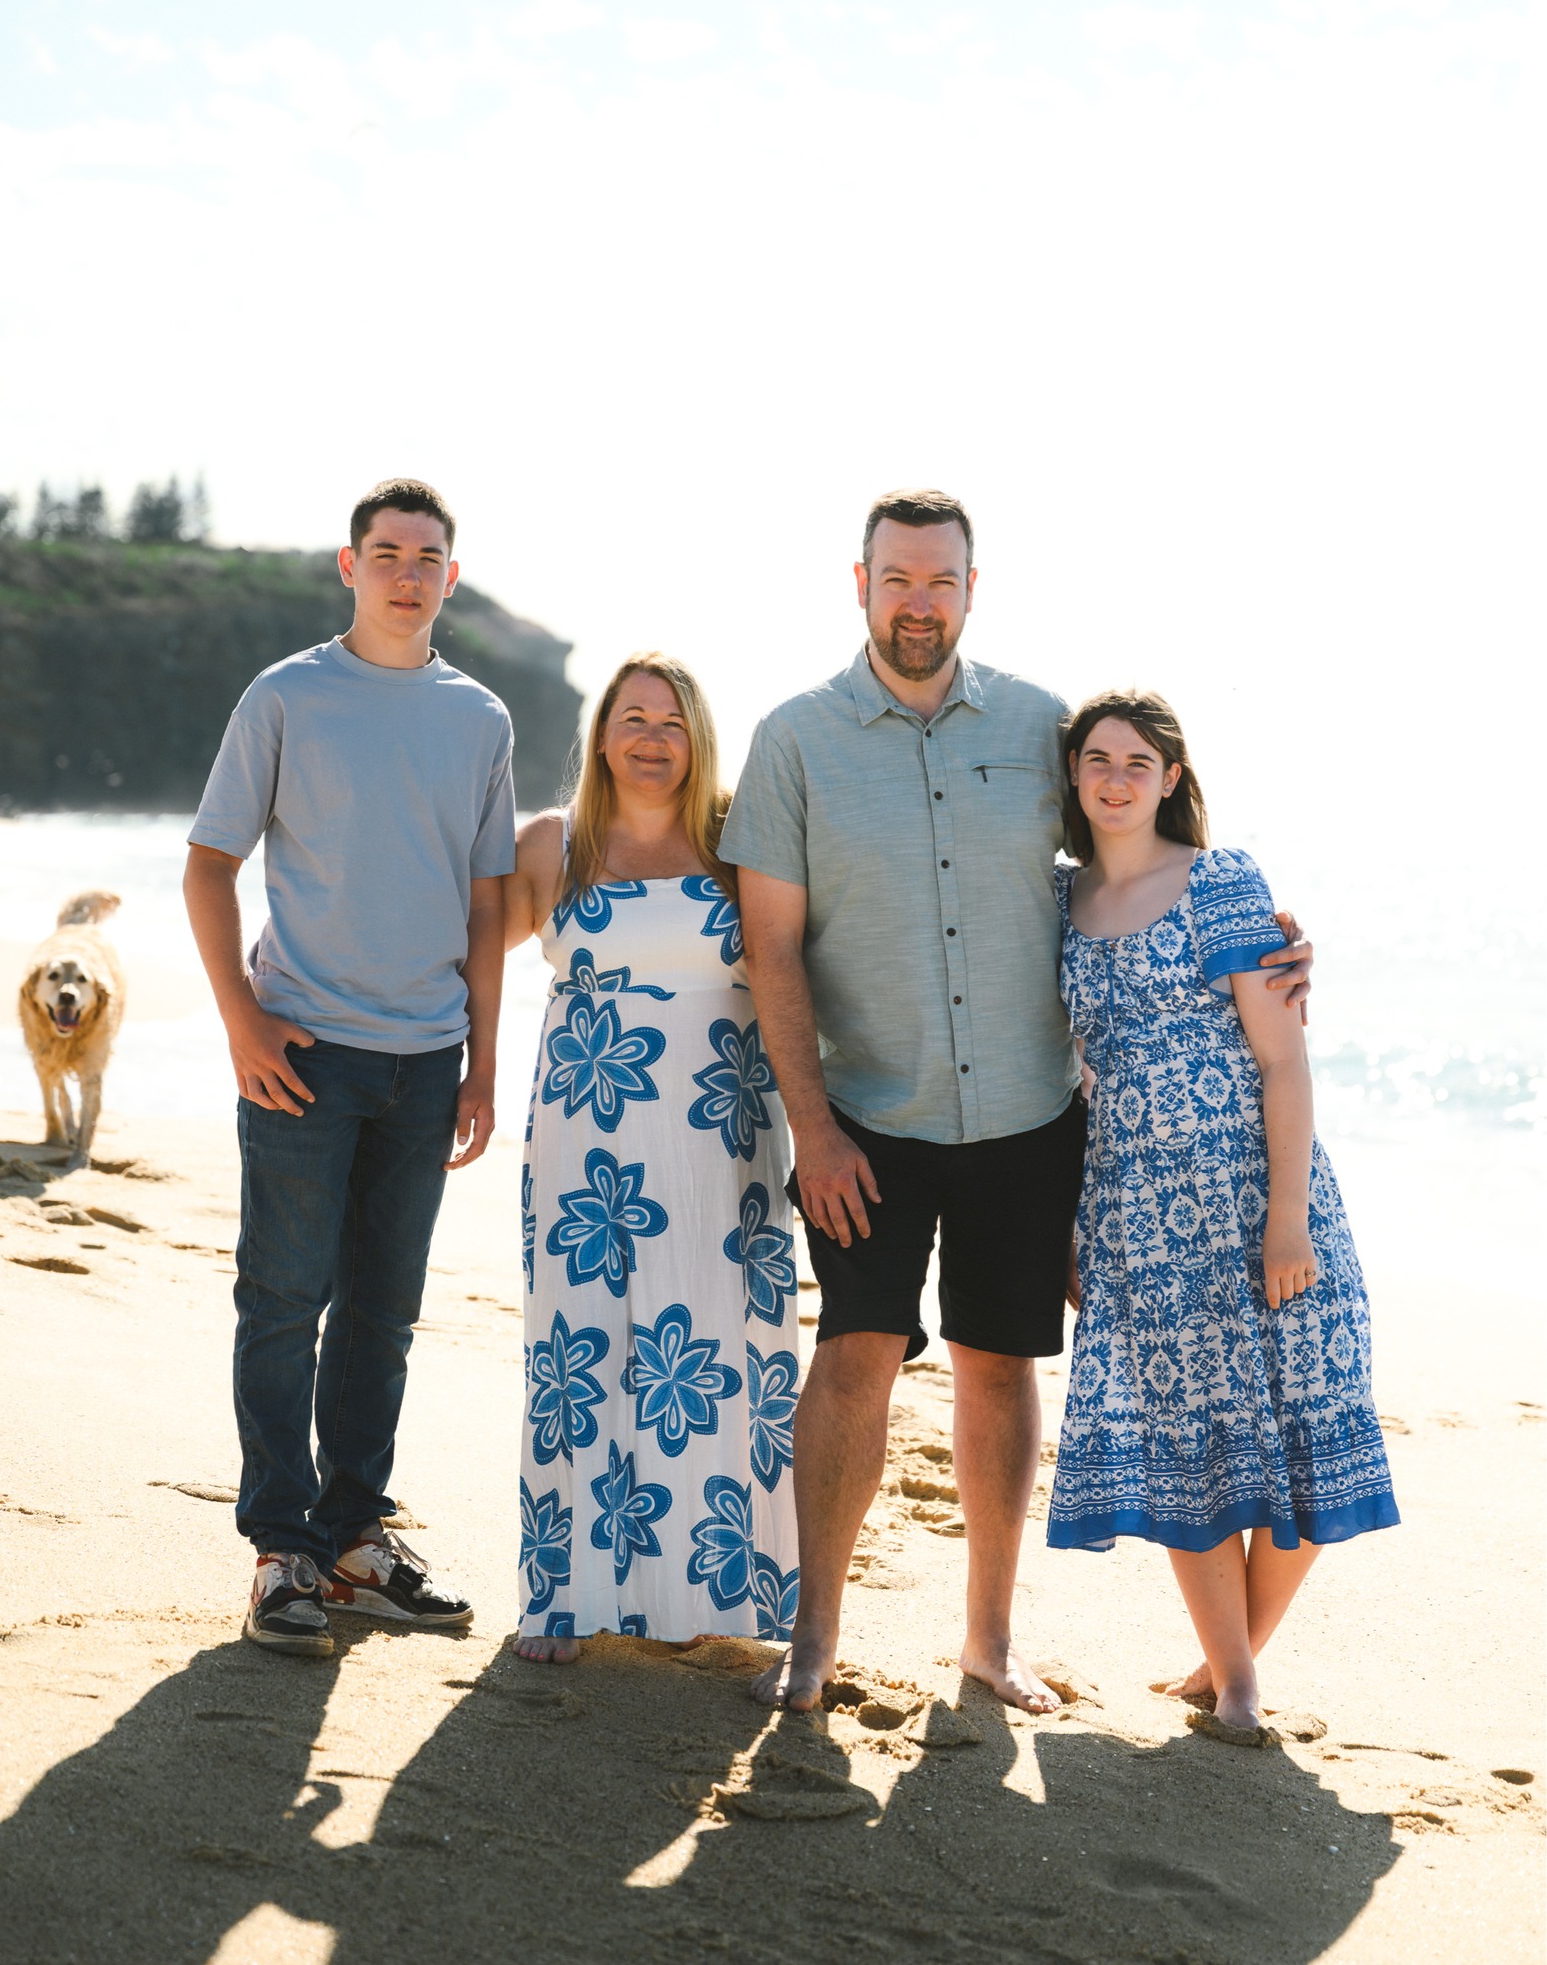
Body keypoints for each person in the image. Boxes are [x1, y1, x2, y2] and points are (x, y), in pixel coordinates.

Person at [721, 488, 1315, 1713]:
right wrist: (814, 1128)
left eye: (940, 580)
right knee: (850, 1359)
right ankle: (814, 1639)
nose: (918, 601)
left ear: (971, 587)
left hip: (1031, 1125)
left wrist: (1258, 931)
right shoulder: (793, 740)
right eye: (898, 578)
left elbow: (1131, 853)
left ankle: (987, 1644)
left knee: (1001, 1369)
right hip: (868, 1124)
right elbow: (772, 949)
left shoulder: (1045, 725)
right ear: (860, 582)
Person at [184, 477, 513, 1656]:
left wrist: (480, 1057)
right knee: (282, 1302)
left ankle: (354, 1538)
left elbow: (486, 903)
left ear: (451, 576)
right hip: (303, 1049)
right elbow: (208, 865)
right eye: (387, 552)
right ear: (350, 565)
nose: (407, 572)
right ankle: (283, 1549)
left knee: (383, 1313)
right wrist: (240, 1018)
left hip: (424, 1059)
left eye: (428, 555)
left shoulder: (479, 716)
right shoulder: (286, 695)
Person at [1047, 691, 1398, 1740]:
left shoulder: (1221, 880)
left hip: (1259, 1192)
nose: (1114, 777)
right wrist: (1067, 1222)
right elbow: (1058, 1079)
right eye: (1095, 759)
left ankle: (1221, 1660)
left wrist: (1285, 1214)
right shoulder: (1053, 905)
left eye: (1136, 760)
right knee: (1183, 1440)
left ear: (1168, 776)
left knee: (1318, 1415)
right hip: (1134, 1211)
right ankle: (1237, 1680)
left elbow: (1282, 1056)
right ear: (1072, 778)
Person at [502, 652, 799, 1660]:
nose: (650, 738)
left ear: (698, 737)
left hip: (724, 1125)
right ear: (600, 734)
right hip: (587, 1126)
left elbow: (826, 942)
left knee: (712, 1348)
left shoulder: (736, 837)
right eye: (630, 717)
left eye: (671, 722)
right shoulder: (555, 843)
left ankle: (711, 1592)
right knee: (583, 1347)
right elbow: (453, 946)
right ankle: (567, 1592)